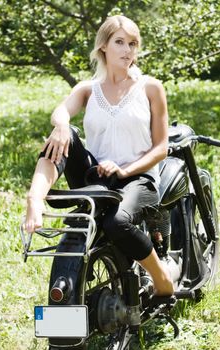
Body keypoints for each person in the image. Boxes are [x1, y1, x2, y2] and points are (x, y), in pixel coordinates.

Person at [25, 15, 174, 296]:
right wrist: (60, 125)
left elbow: (160, 148)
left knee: (116, 223)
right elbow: (61, 110)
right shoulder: (88, 89)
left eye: (133, 43)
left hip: (138, 178)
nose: (127, 50)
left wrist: (124, 170)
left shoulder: (150, 87)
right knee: (64, 132)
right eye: (120, 42)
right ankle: (34, 198)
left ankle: (161, 277)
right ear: (104, 45)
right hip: (95, 176)